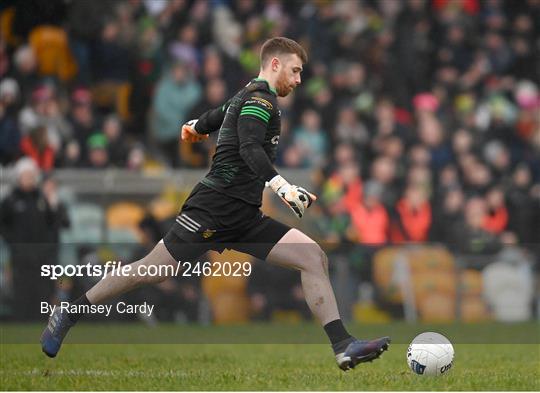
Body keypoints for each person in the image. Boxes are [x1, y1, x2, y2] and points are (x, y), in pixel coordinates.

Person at [41, 37, 389, 371]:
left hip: (244, 217)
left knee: (313, 257)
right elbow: (249, 148)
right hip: (213, 209)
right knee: (152, 271)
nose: (299, 80)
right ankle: (70, 312)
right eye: (295, 71)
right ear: (275, 64)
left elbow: (220, 113)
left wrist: (195, 126)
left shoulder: (247, 95)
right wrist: (283, 187)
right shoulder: (261, 102)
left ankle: (343, 345)